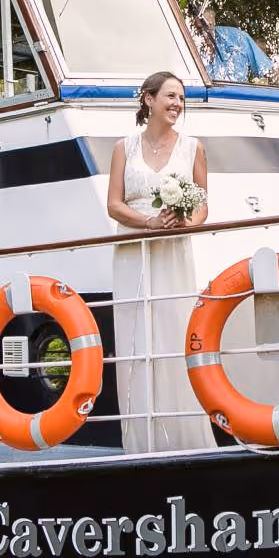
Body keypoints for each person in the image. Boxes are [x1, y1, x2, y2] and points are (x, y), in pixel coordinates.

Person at [106, 71, 216, 453]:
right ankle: (140, 440)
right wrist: (148, 222)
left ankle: (185, 437)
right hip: (132, 251)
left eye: (181, 98)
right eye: (170, 96)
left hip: (173, 251)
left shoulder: (193, 148)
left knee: (174, 331)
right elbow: (114, 205)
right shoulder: (123, 147)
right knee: (137, 337)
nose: (177, 104)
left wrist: (186, 221)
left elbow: (202, 204)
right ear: (149, 99)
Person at [193, 1, 279, 87]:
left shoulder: (237, 38)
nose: (207, 32)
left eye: (210, 25)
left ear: (214, 22)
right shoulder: (183, 45)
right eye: (201, 27)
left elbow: (271, 71)